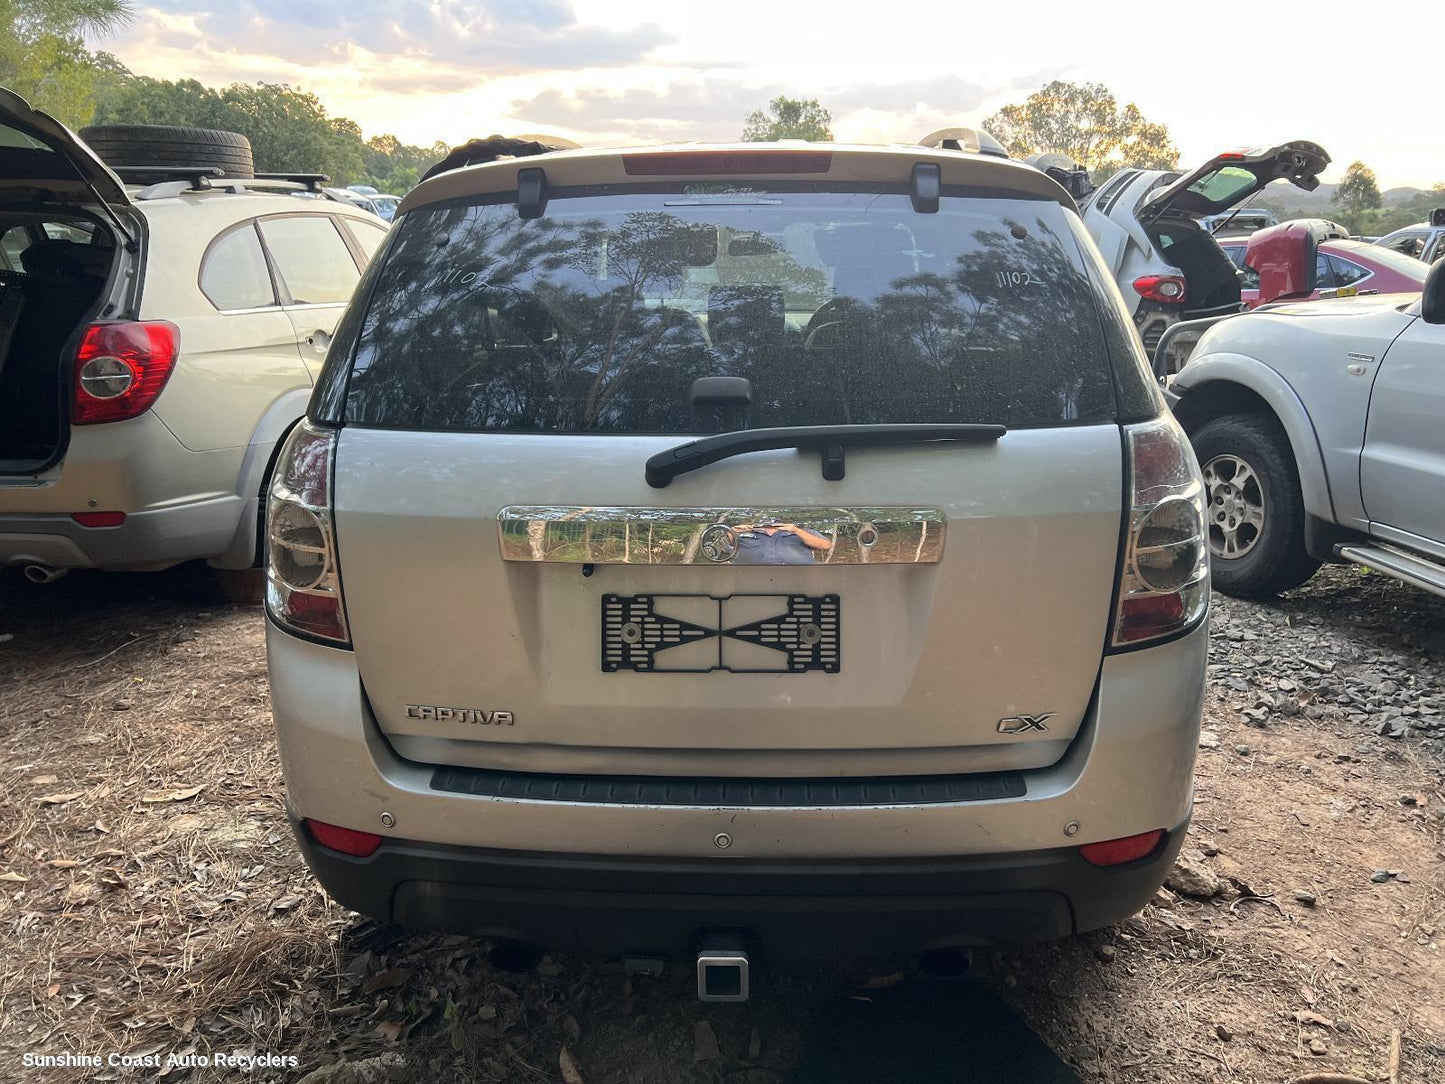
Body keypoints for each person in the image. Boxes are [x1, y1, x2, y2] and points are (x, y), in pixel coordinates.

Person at [732, 521, 832, 564]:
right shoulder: (742, 532)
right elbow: (719, 548)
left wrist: (796, 531)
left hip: (800, 577)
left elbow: (826, 545)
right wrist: (731, 531)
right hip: (749, 577)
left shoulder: (801, 531)